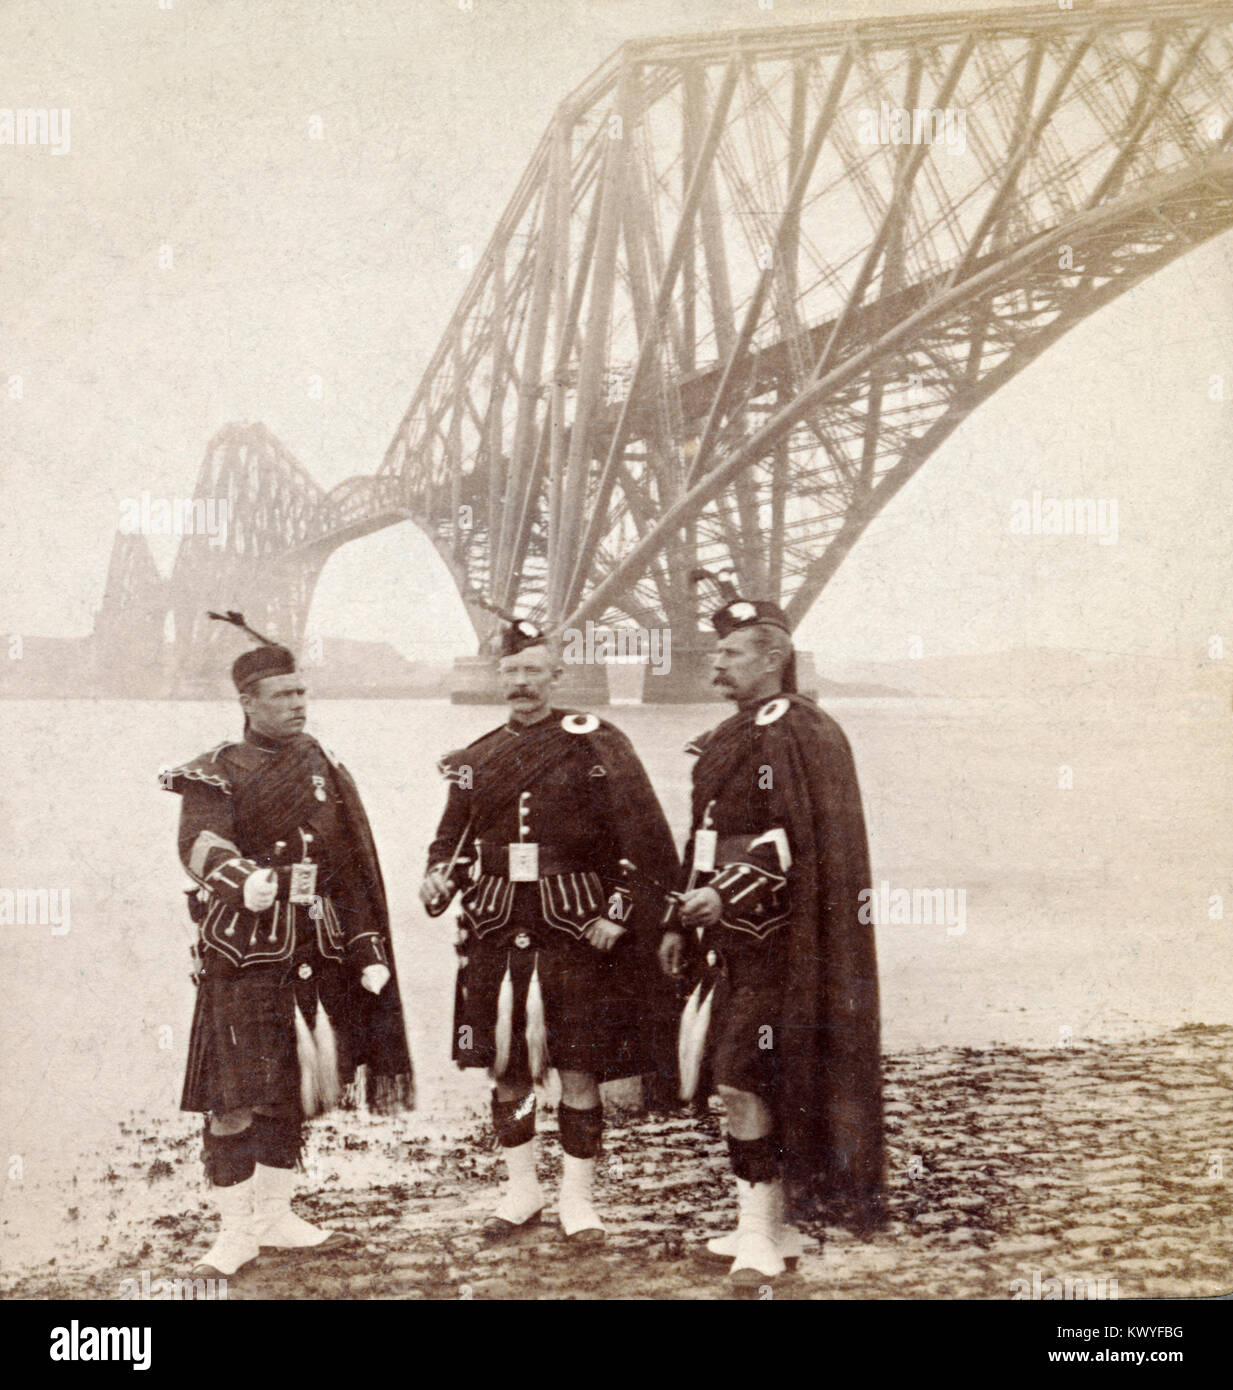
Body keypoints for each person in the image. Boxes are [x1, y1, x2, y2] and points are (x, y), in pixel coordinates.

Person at [160, 613, 413, 1278]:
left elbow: (348, 868)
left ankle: (275, 1215)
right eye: (283, 696)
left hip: (312, 950)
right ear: (248, 703)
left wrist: (366, 950)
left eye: (302, 694)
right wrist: (242, 880)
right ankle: (235, 1231)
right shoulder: (212, 771)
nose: (298, 706)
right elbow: (199, 844)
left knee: (291, 1087)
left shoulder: (321, 766)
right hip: (240, 957)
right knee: (232, 1096)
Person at [420, 616, 679, 1244]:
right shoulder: (474, 759)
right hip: (496, 923)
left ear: (557, 676)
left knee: (579, 1066)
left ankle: (578, 1202)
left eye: (533, 671)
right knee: (507, 1066)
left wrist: (618, 914)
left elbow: (637, 841)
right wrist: (437, 878)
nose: (521, 684)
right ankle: (520, 1193)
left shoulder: (594, 745)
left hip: (575, 927)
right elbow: (450, 840)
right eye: (510, 672)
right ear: (498, 678)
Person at [659, 577, 883, 1288]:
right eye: (715, 653)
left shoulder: (801, 732)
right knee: (743, 1077)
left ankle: (761, 1233)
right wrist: (679, 916)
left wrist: (721, 896)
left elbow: (795, 845)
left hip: (785, 949)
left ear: (771, 658)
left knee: (743, 1078)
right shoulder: (736, 734)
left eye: (728, 653)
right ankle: (767, 1224)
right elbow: (705, 838)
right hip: (725, 943)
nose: (715, 665)